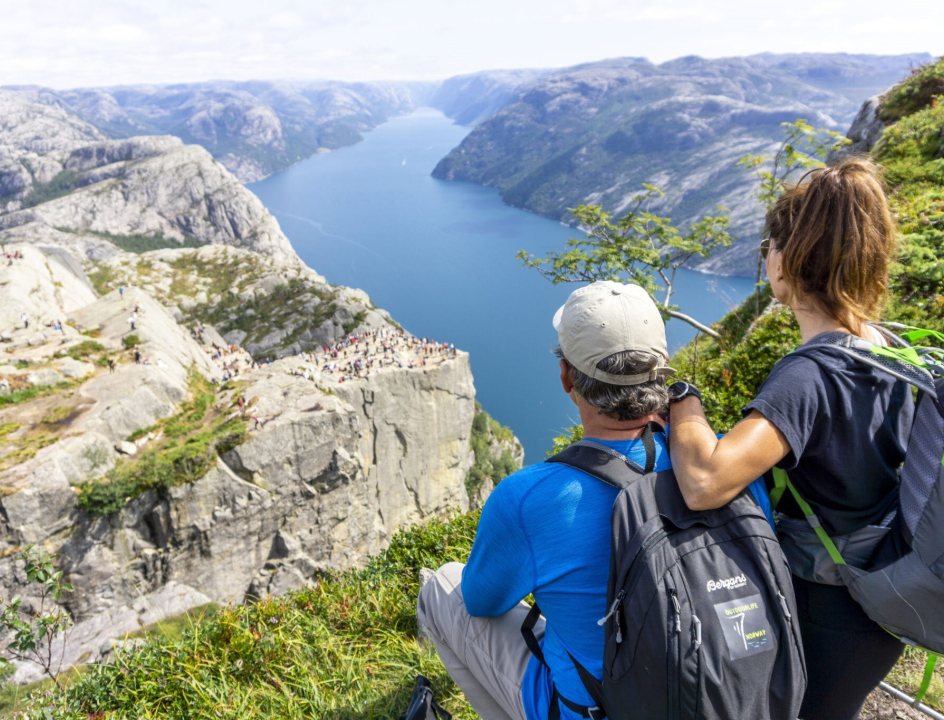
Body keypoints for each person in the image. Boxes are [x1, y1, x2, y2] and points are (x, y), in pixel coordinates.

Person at [667, 158, 911, 720]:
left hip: (830, 609)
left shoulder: (809, 375)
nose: (767, 257)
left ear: (790, 257)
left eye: (768, 245)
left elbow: (705, 480)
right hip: (877, 596)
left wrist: (683, 399)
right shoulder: (885, 347)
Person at [417, 281, 676, 720]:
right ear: (661, 375)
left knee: (443, 586)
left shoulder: (531, 498)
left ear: (567, 378)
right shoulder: (722, 466)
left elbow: (481, 603)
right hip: (721, 693)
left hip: (601, 706)